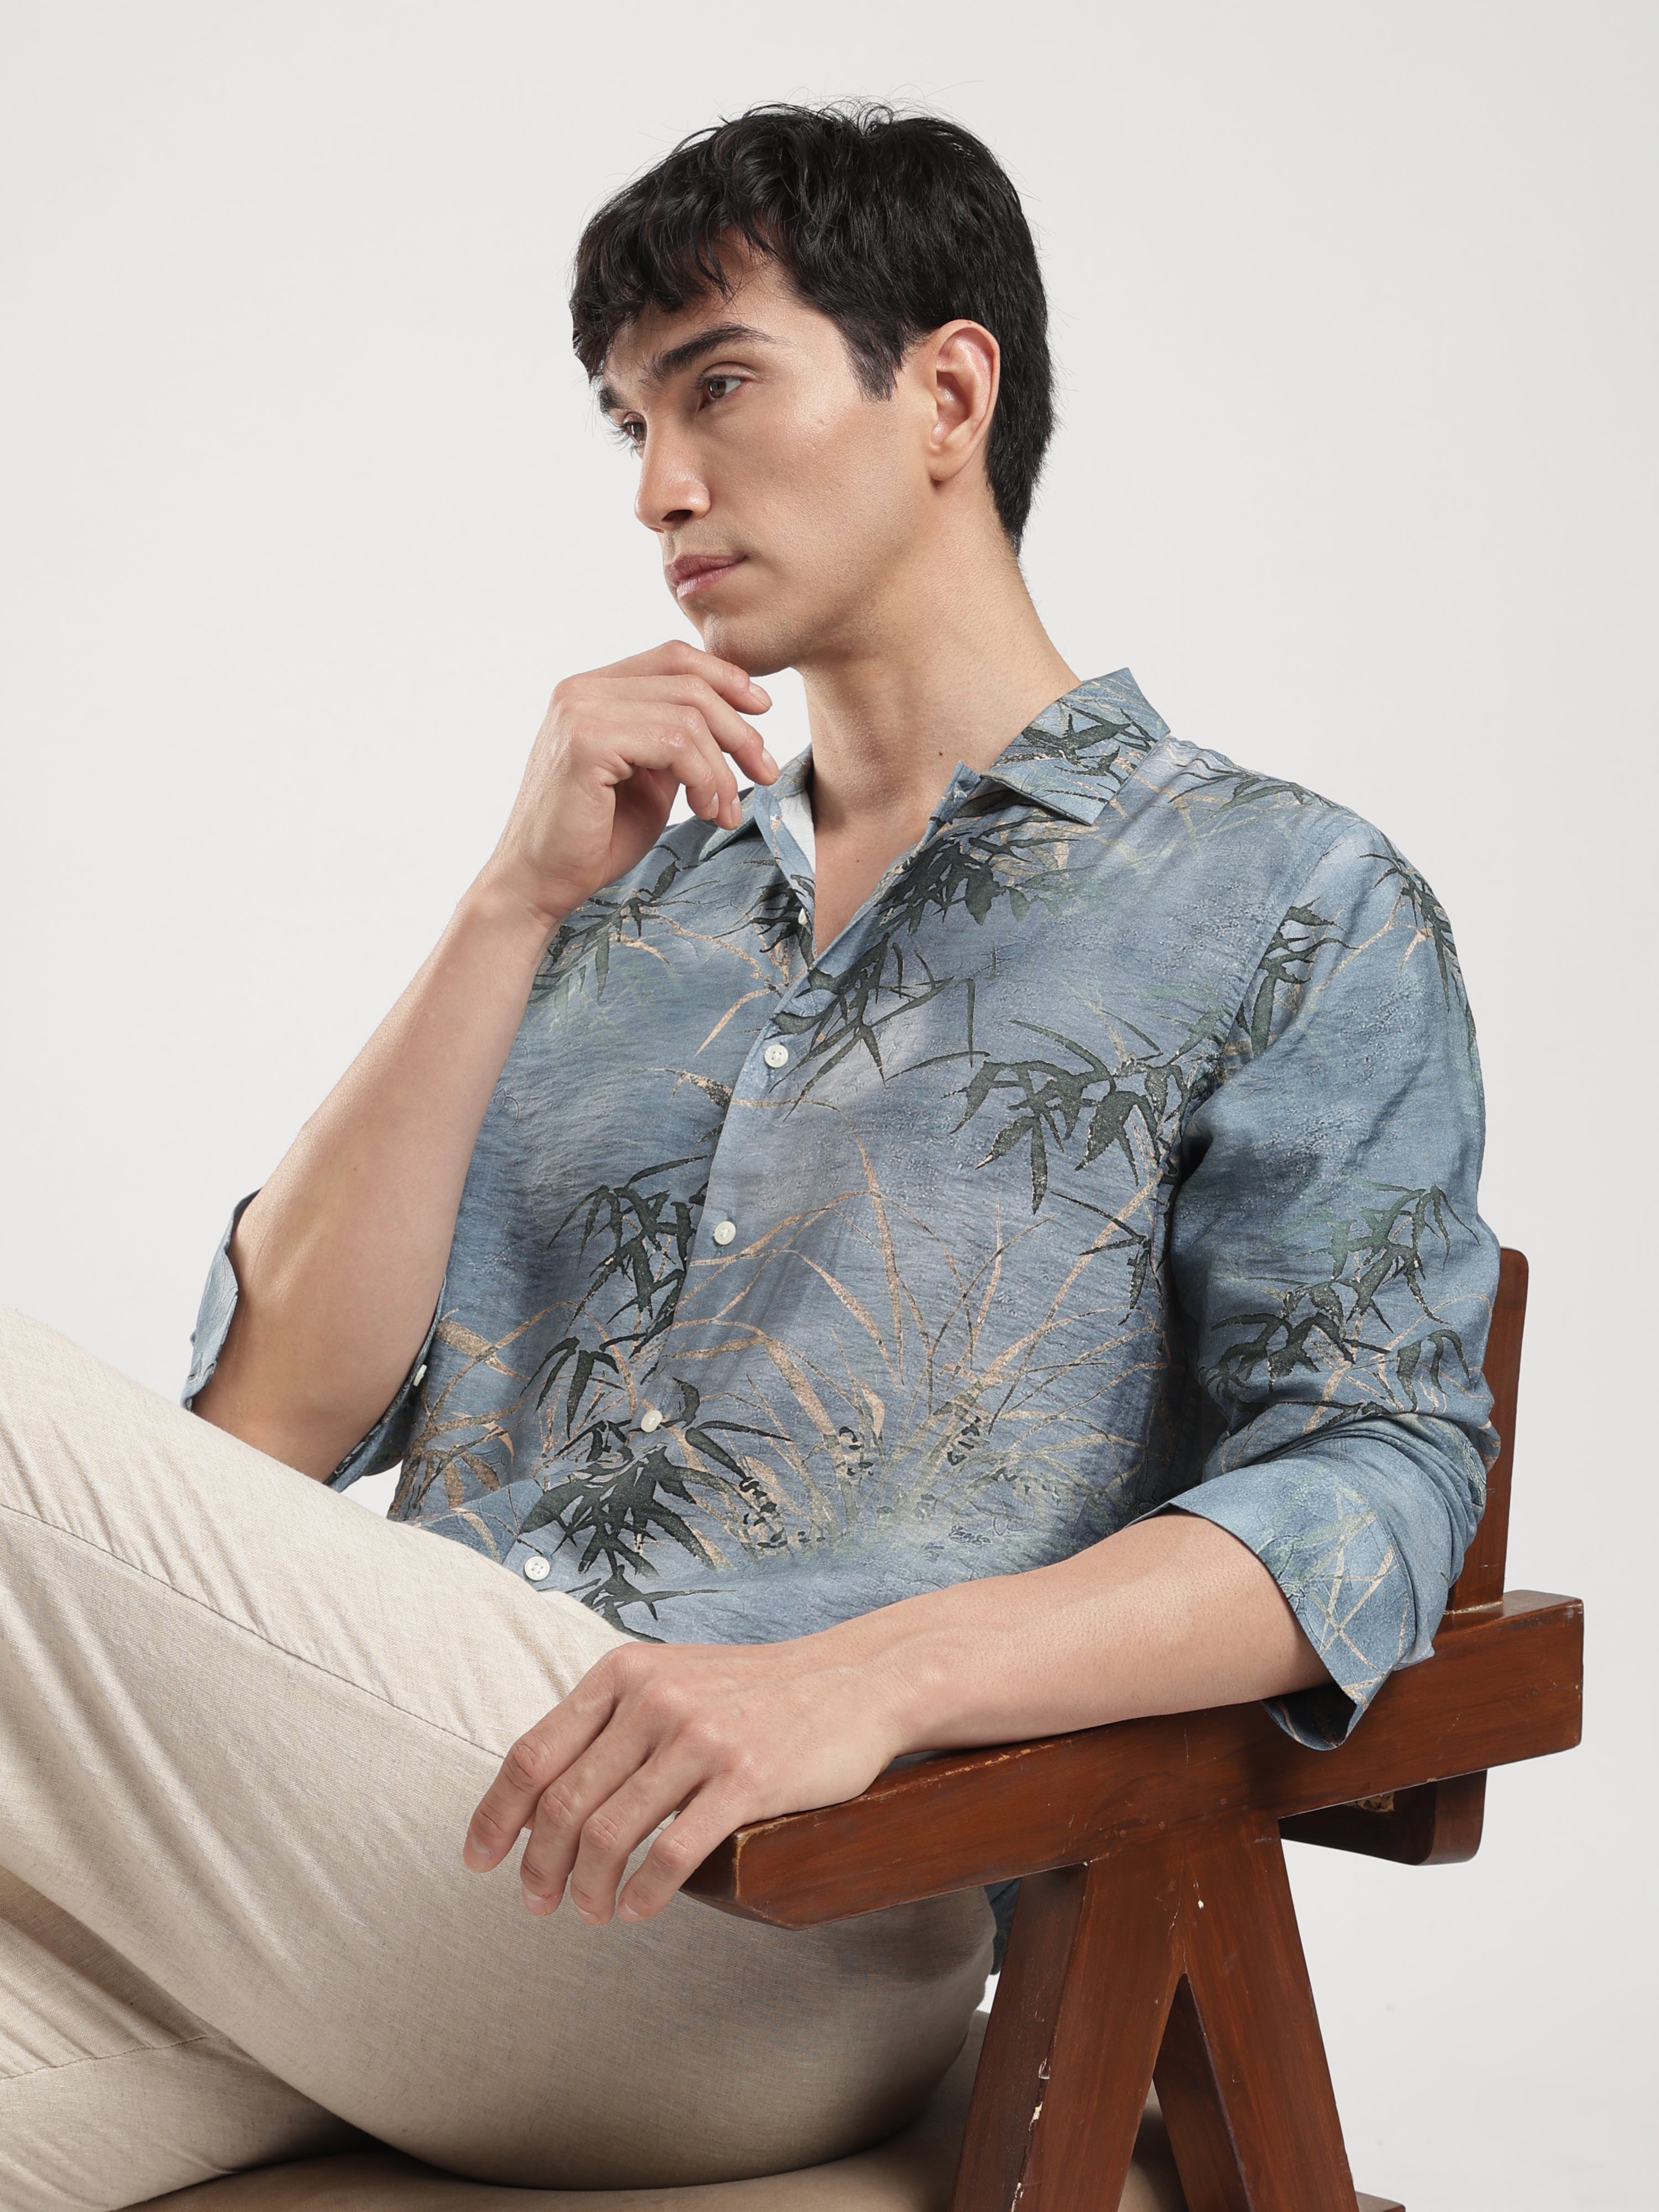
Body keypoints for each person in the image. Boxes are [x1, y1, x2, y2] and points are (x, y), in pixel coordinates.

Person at [0, 103, 1499, 2210]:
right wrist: (512, 902)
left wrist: (868, 1678)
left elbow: (1372, 1477)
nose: (657, 490)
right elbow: (261, 1433)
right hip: (362, 1846)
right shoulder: (630, 900)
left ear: (946, 395)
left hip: (771, 1901)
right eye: (631, 421)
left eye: (716, 387)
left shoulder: (1283, 901)